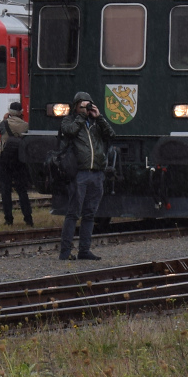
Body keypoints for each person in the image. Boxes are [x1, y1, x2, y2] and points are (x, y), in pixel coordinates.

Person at [57, 91, 113, 261]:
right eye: (82, 105)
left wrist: (99, 117)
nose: (85, 108)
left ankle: (84, 250)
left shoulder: (96, 123)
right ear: (75, 106)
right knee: (73, 213)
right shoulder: (69, 120)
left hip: (96, 173)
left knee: (89, 214)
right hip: (79, 173)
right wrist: (81, 117)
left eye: (88, 105)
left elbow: (111, 135)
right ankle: (65, 252)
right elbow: (70, 131)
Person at [0, 101, 33, 226]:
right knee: (22, 190)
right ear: (21, 112)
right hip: (19, 159)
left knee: (6, 190)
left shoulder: (5, 123)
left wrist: (4, 119)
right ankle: (28, 218)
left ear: (9, 112)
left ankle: (8, 219)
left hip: (5, 159)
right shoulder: (26, 125)